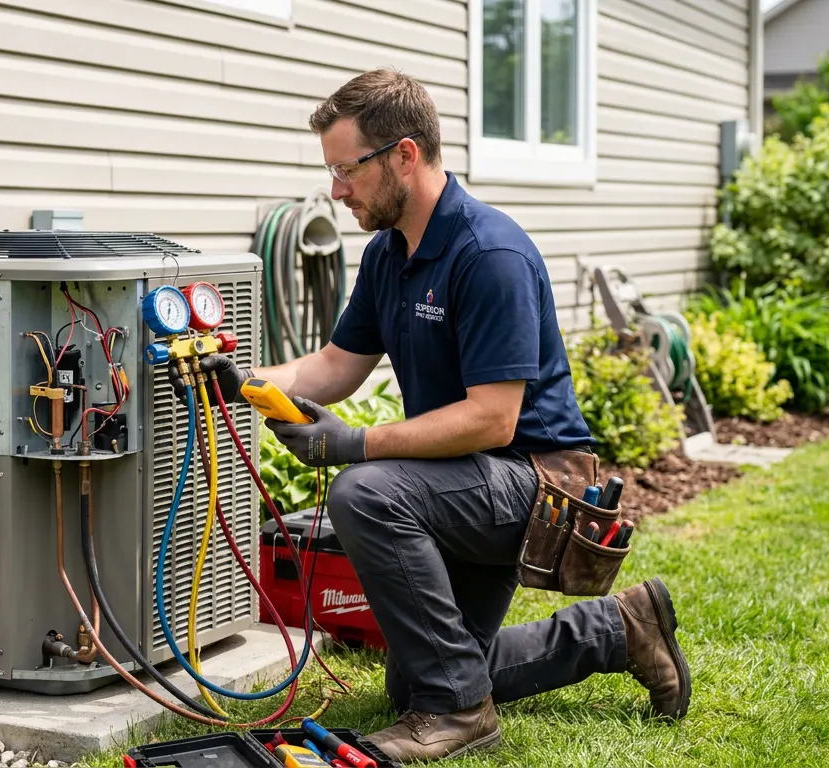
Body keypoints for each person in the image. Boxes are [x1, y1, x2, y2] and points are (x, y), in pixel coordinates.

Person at [180, 69, 692, 762]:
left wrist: (353, 444)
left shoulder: (489, 254)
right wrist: (242, 383)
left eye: (345, 170)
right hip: (464, 481)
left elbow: (493, 420)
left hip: (537, 485)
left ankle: (459, 714)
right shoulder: (392, 254)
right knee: (413, 675)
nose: (336, 190)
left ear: (405, 155)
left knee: (365, 492)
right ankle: (620, 628)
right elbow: (336, 365)